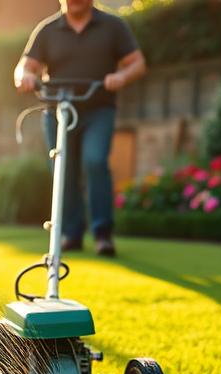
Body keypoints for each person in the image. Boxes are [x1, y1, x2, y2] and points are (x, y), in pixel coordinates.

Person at [14, 0, 146, 257]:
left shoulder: (113, 26)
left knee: (95, 161)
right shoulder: (48, 30)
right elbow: (25, 65)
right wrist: (26, 76)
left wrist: (122, 76)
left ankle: (102, 233)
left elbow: (137, 63)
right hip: (57, 111)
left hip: (98, 109)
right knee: (63, 170)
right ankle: (71, 234)